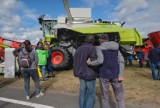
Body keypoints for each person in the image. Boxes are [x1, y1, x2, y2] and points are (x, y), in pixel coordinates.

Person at [87, 34, 125, 108]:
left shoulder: (99, 48)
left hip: (104, 75)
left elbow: (100, 61)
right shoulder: (116, 47)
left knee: (105, 98)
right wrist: (121, 74)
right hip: (116, 75)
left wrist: (90, 63)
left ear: (101, 40)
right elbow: (121, 61)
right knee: (120, 98)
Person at [73, 35, 97, 108]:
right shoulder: (92, 48)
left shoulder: (79, 49)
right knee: (90, 93)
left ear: (85, 40)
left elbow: (75, 61)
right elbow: (94, 62)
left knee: (82, 92)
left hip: (80, 73)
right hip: (90, 73)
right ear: (93, 41)